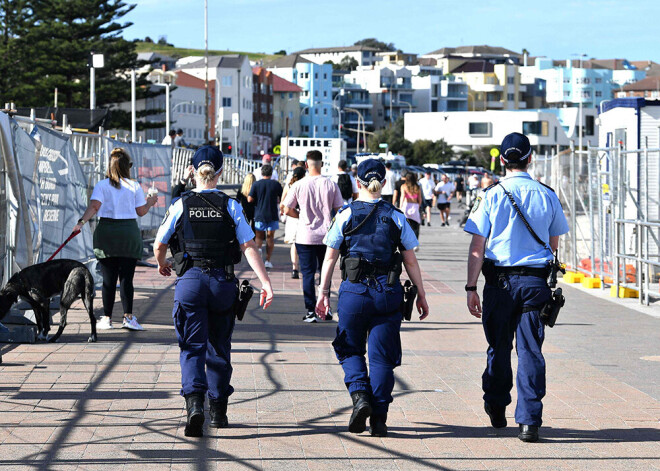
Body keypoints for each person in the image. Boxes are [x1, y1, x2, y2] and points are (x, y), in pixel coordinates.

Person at [154, 145, 274, 437]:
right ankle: (218, 411)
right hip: (222, 282)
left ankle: (195, 406)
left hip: (190, 282)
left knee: (191, 347)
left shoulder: (181, 204)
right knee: (218, 347)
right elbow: (248, 246)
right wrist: (266, 282)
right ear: (220, 172)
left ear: (193, 171)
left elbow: (159, 243)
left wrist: (162, 264)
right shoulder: (231, 205)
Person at [464, 132, 569, 443]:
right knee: (531, 351)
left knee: (499, 347)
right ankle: (529, 421)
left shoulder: (490, 195)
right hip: (535, 283)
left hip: (499, 284)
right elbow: (554, 244)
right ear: (530, 158)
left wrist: (471, 287)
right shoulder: (547, 195)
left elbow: (477, 245)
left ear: (501, 160)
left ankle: (496, 404)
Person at [315, 159, 430, 437]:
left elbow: (330, 257)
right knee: (382, 359)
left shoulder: (345, 214)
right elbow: (411, 262)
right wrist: (421, 295)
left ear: (359, 182)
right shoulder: (395, 216)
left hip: (354, 292)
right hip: (388, 293)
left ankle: (360, 396)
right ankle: (379, 419)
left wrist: (323, 293)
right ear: (385, 182)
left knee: (349, 348)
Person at [73, 148, 158, 331]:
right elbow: (141, 211)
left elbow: (94, 206)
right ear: (127, 167)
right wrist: (151, 201)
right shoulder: (133, 186)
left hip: (107, 233)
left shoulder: (102, 185)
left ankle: (107, 318)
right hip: (128, 233)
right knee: (127, 279)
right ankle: (128, 317)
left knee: (108, 279)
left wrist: (81, 223)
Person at [283, 150, 343, 323]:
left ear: (306, 164)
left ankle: (310, 311)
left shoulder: (299, 185)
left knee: (307, 274)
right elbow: (340, 210)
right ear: (322, 164)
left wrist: (300, 216)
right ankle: (326, 307)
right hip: (327, 236)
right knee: (326, 272)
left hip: (305, 236)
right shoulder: (331, 185)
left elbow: (286, 209)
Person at [248, 164, 283, 269]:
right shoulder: (276, 184)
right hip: (272, 214)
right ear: (271, 174)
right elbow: (282, 198)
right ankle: (268, 260)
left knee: (258, 237)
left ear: (261, 173)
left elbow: (249, 199)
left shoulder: (256, 184)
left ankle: (258, 261)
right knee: (270, 238)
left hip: (259, 213)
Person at [281, 166, 306, 279]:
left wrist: (283, 212)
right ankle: (304, 266)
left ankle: (294, 268)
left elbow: (282, 203)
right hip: (303, 215)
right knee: (303, 243)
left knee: (294, 244)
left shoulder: (289, 185)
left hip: (291, 216)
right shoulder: (305, 185)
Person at [400, 172, 422, 248]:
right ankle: (415, 244)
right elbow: (420, 199)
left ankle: (406, 242)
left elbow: (402, 197)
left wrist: (400, 207)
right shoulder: (417, 187)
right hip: (415, 206)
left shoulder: (403, 186)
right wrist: (418, 206)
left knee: (406, 226)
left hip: (406, 205)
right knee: (415, 226)